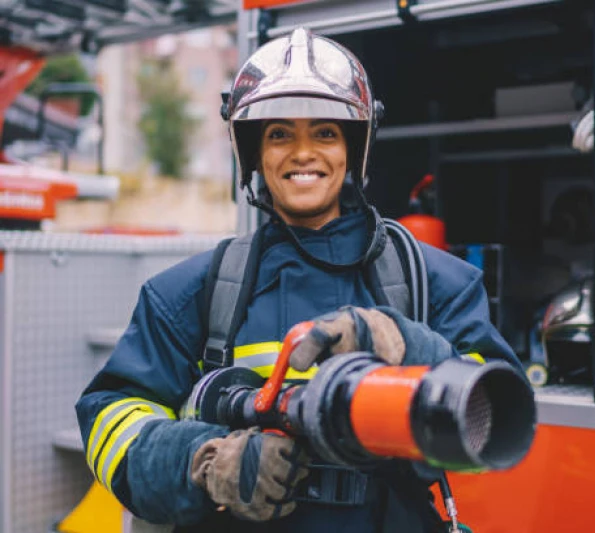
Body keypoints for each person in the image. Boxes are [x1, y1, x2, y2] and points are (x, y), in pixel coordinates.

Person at [75, 28, 520, 533]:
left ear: (353, 148)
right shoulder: (190, 292)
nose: (303, 152)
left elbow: (495, 421)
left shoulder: (435, 282)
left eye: (325, 132)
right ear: (255, 153)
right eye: (280, 133)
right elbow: (109, 422)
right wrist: (205, 463)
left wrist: (408, 345)